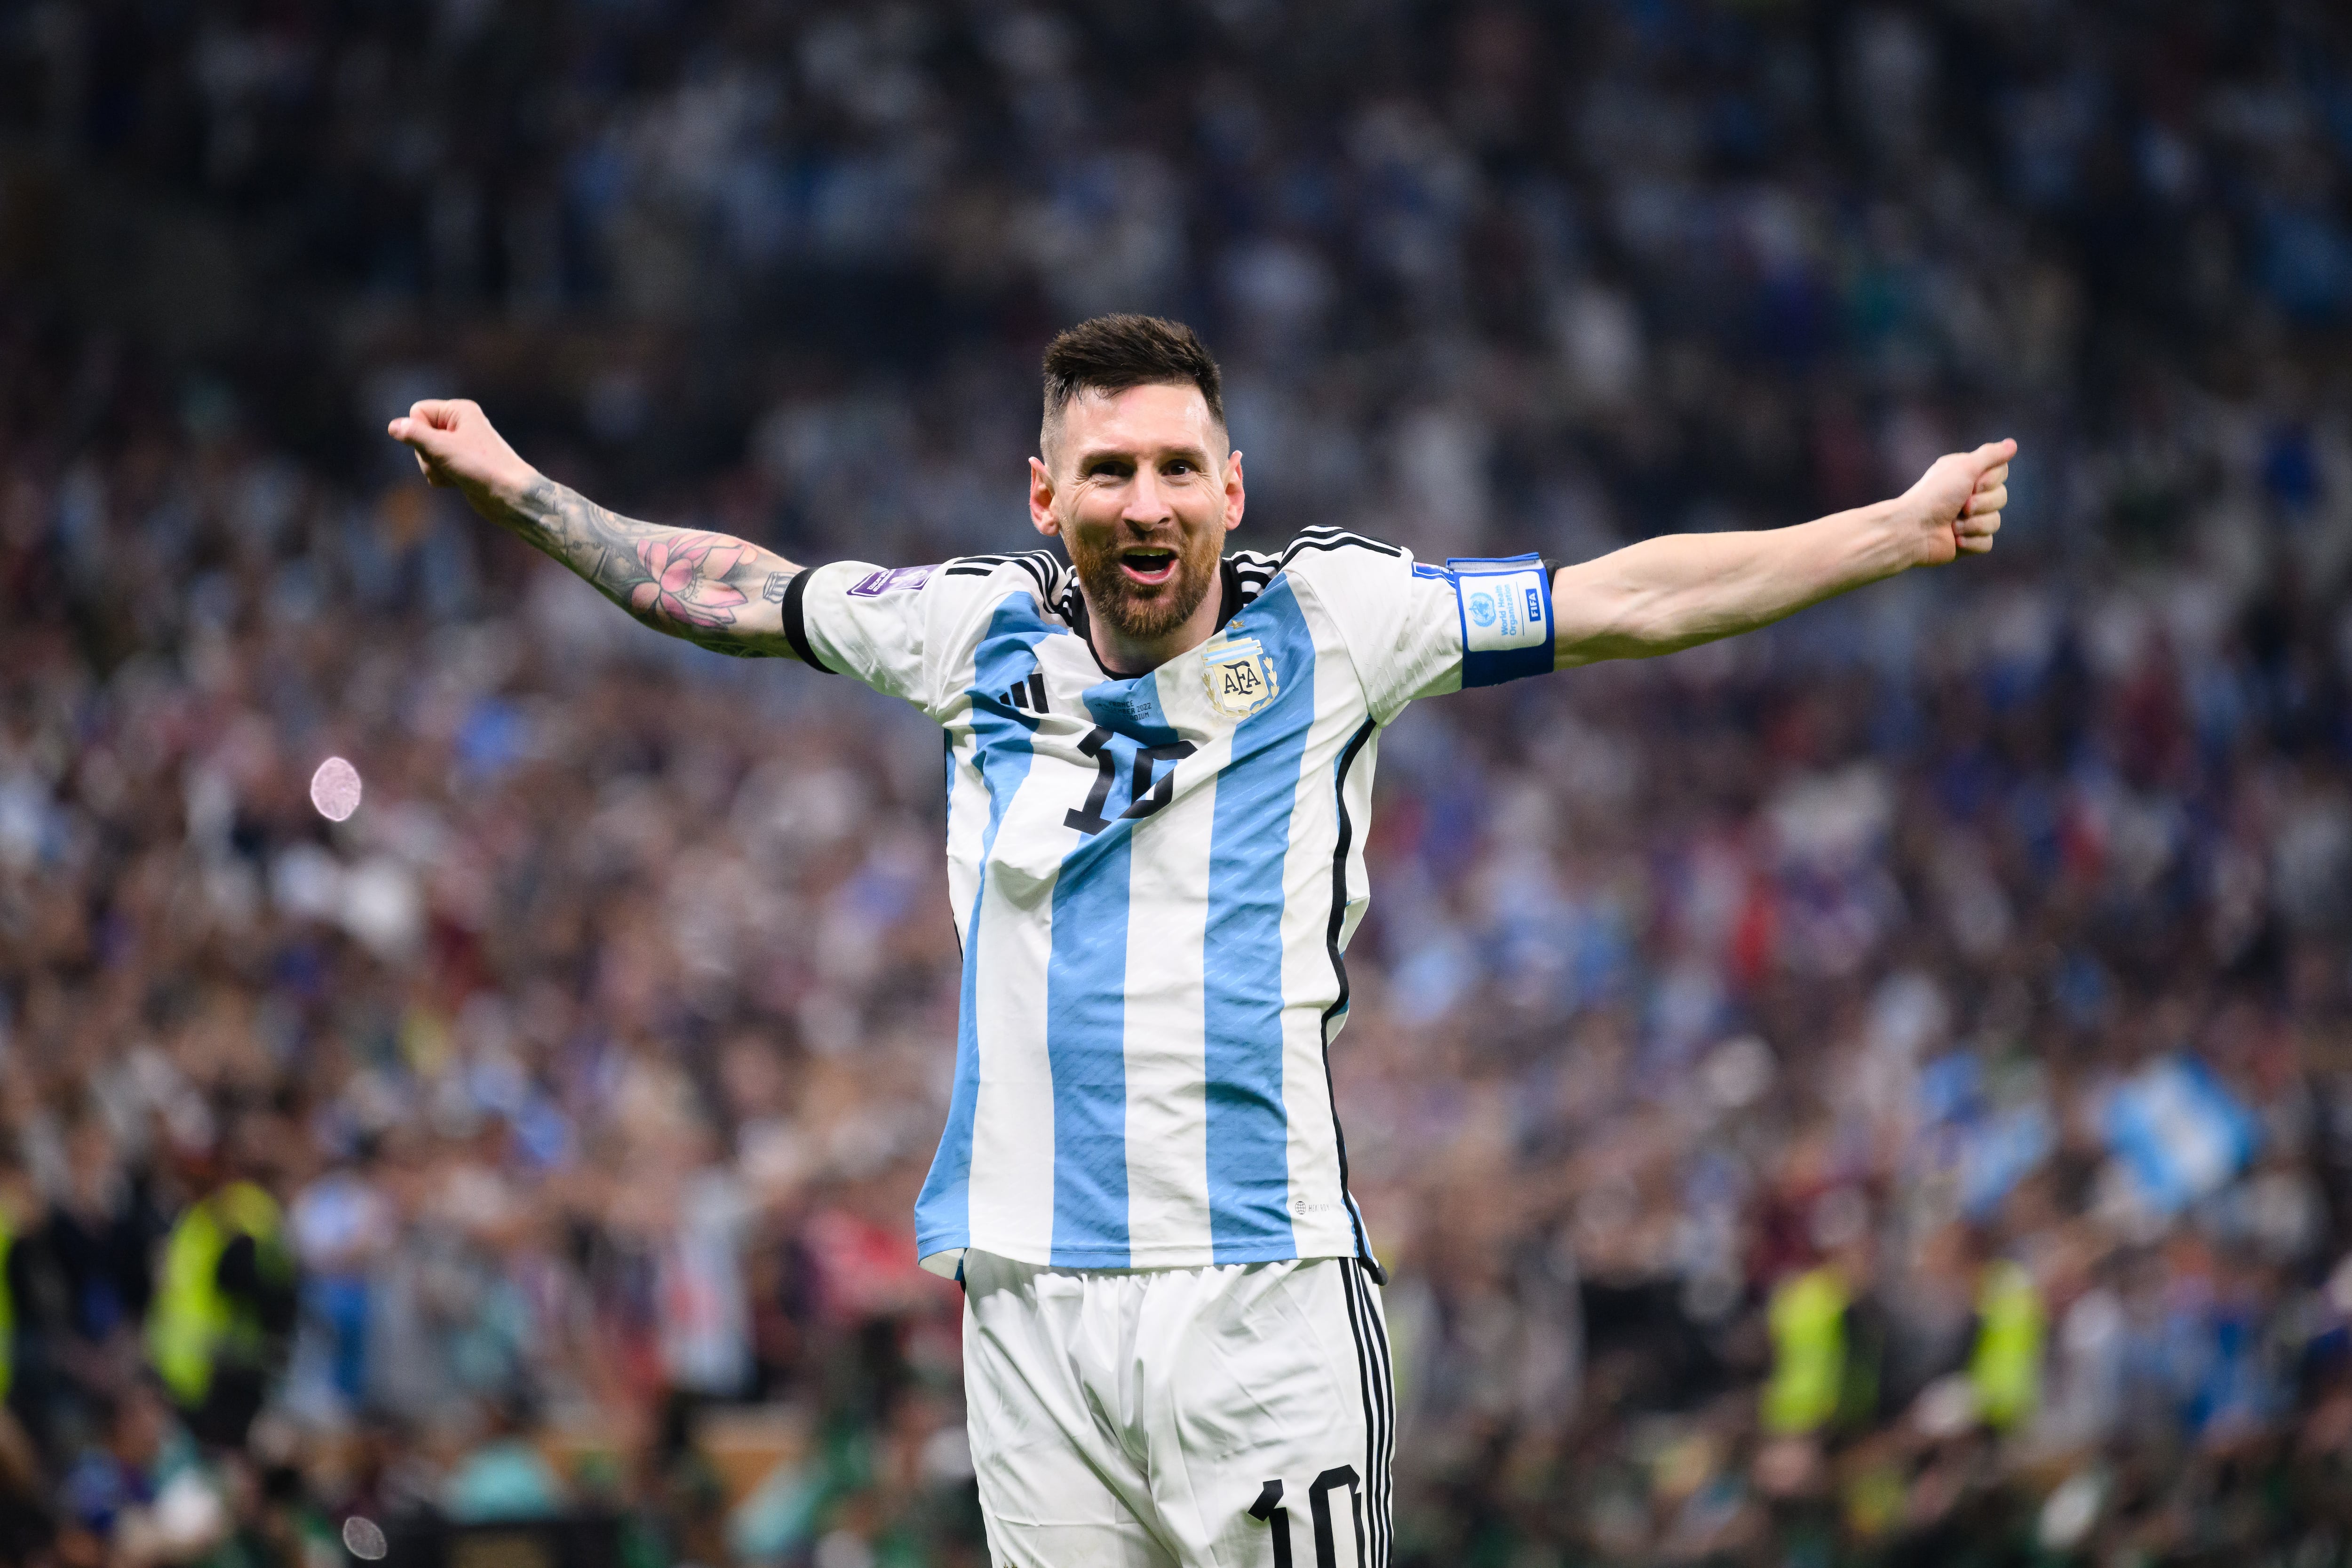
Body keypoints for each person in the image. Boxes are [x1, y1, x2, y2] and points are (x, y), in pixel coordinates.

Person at [389, 313, 2010, 1567]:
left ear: (1233, 489)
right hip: (1026, 1307)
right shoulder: (970, 633)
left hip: (1262, 1300)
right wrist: (524, 494)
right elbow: (733, 590)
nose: (1145, 500)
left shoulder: (1345, 617)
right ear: (1048, 497)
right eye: (1108, 471)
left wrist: (1892, 530)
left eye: (1179, 468)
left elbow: (1624, 598)